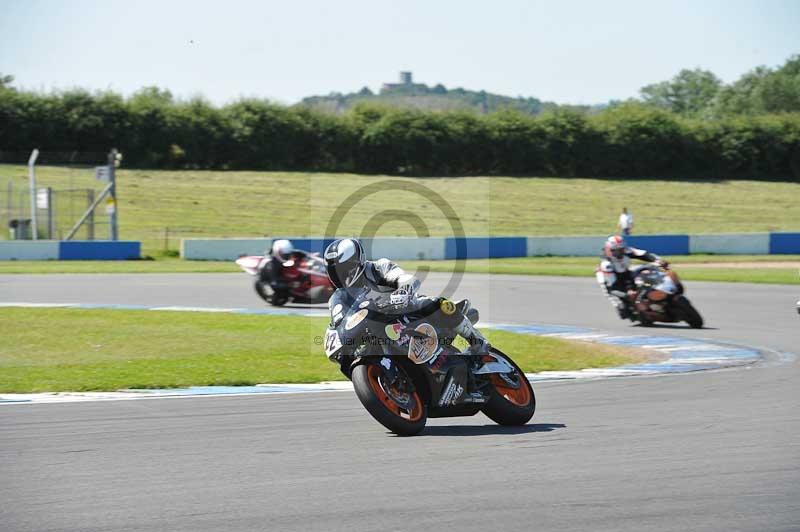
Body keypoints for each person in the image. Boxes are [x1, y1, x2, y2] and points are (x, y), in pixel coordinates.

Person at [323, 238, 489, 355]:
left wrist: (403, 290)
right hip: (376, 328)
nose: (339, 276)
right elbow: (338, 321)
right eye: (334, 272)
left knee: (439, 304)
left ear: (356, 263)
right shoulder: (338, 297)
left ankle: (478, 341)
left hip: (406, 311)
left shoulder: (377, 268)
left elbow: (404, 278)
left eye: (343, 270)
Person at [596, 235, 668, 319]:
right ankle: (622, 306)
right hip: (610, 280)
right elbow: (614, 286)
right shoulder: (607, 264)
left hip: (625, 271)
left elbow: (643, 254)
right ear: (610, 250)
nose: (621, 252)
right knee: (623, 309)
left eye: (622, 249)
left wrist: (657, 260)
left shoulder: (626, 250)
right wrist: (627, 293)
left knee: (645, 272)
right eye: (617, 250)